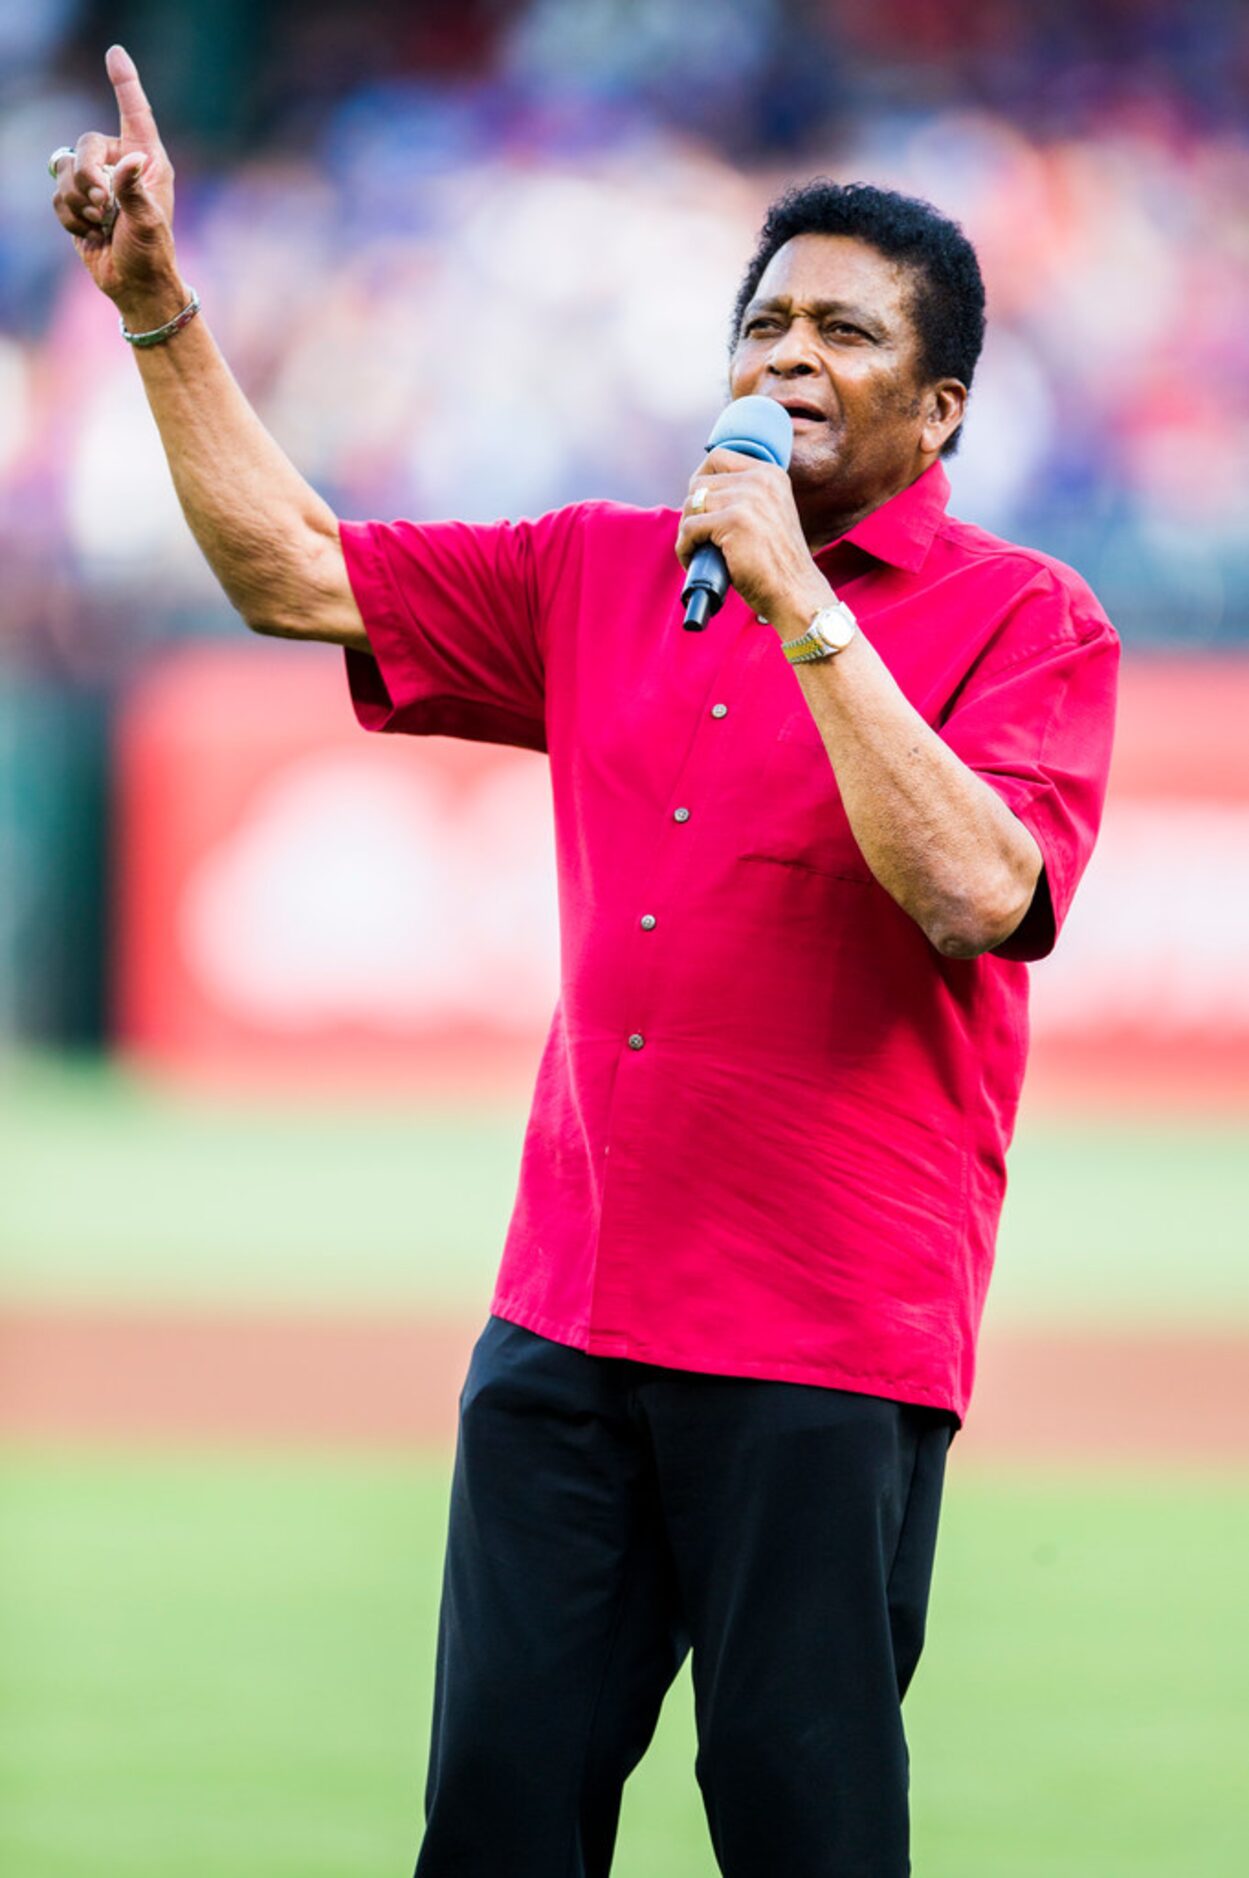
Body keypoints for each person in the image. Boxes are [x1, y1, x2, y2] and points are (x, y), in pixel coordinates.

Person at [52, 46, 1118, 1878]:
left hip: (823, 1346)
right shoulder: (601, 571)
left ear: (938, 410)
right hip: (564, 1325)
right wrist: (157, 307)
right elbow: (292, 570)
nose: (786, 354)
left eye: (844, 333)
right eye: (763, 320)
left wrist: (794, 597)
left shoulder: (1026, 620)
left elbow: (970, 887)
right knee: (494, 1824)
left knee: (804, 1834)